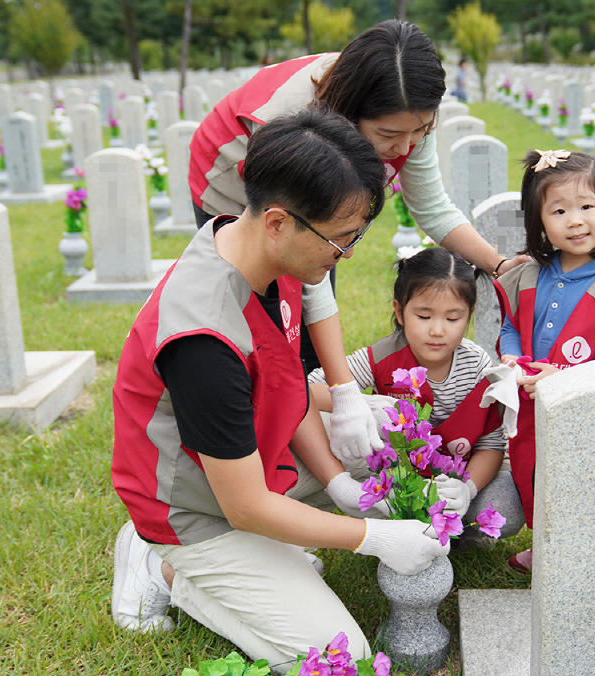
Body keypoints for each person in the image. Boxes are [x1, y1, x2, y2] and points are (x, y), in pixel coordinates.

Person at [109, 108, 449, 668]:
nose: (348, 254)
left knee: (392, 426)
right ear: (277, 222)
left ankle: (268, 557)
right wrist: (371, 537)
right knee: (343, 659)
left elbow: (281, 388)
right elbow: (242, 507)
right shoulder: (205, 341)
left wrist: (343, 467)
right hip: (202, 512)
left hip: (249, 461)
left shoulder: (264, 254)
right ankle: (166, 568)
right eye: (340, 240)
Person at [189, 19, 528, 465]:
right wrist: (346, 392)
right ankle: (250, 443)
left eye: (420, 130)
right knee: (261, 318)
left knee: (304, 334)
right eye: (388, 136)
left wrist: (500, 265)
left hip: (310, 213)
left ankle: (302, 433)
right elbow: (307, 259)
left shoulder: (406, 112)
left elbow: (433, 208)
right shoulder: (291, 123)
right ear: (350, 112)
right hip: (229, 185)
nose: (404, 146)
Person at [495, 150, 595, 572]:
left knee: (585, 481)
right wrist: (513, 357)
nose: (575, 220)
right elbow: (512, 325)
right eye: (559, 210)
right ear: (539, 222)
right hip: (534, 407)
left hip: (591, 416)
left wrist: (566, 376)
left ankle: (581, 551)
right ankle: (548, 545)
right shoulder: (530, 275)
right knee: (537, 473)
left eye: (587, 207)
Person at [307, 247, 523, 546]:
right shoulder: (382, 356)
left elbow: (492, 445)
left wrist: (467, 490)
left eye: (452, 318)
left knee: (507, 507)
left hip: (457, 480)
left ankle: (457, 532)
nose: (437, 330)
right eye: (423, 315)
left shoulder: (478, 367)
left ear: (469, 316)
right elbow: (307, 390)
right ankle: (404, 535)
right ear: (399, 311)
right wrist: (358, 402)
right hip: (402, 481)